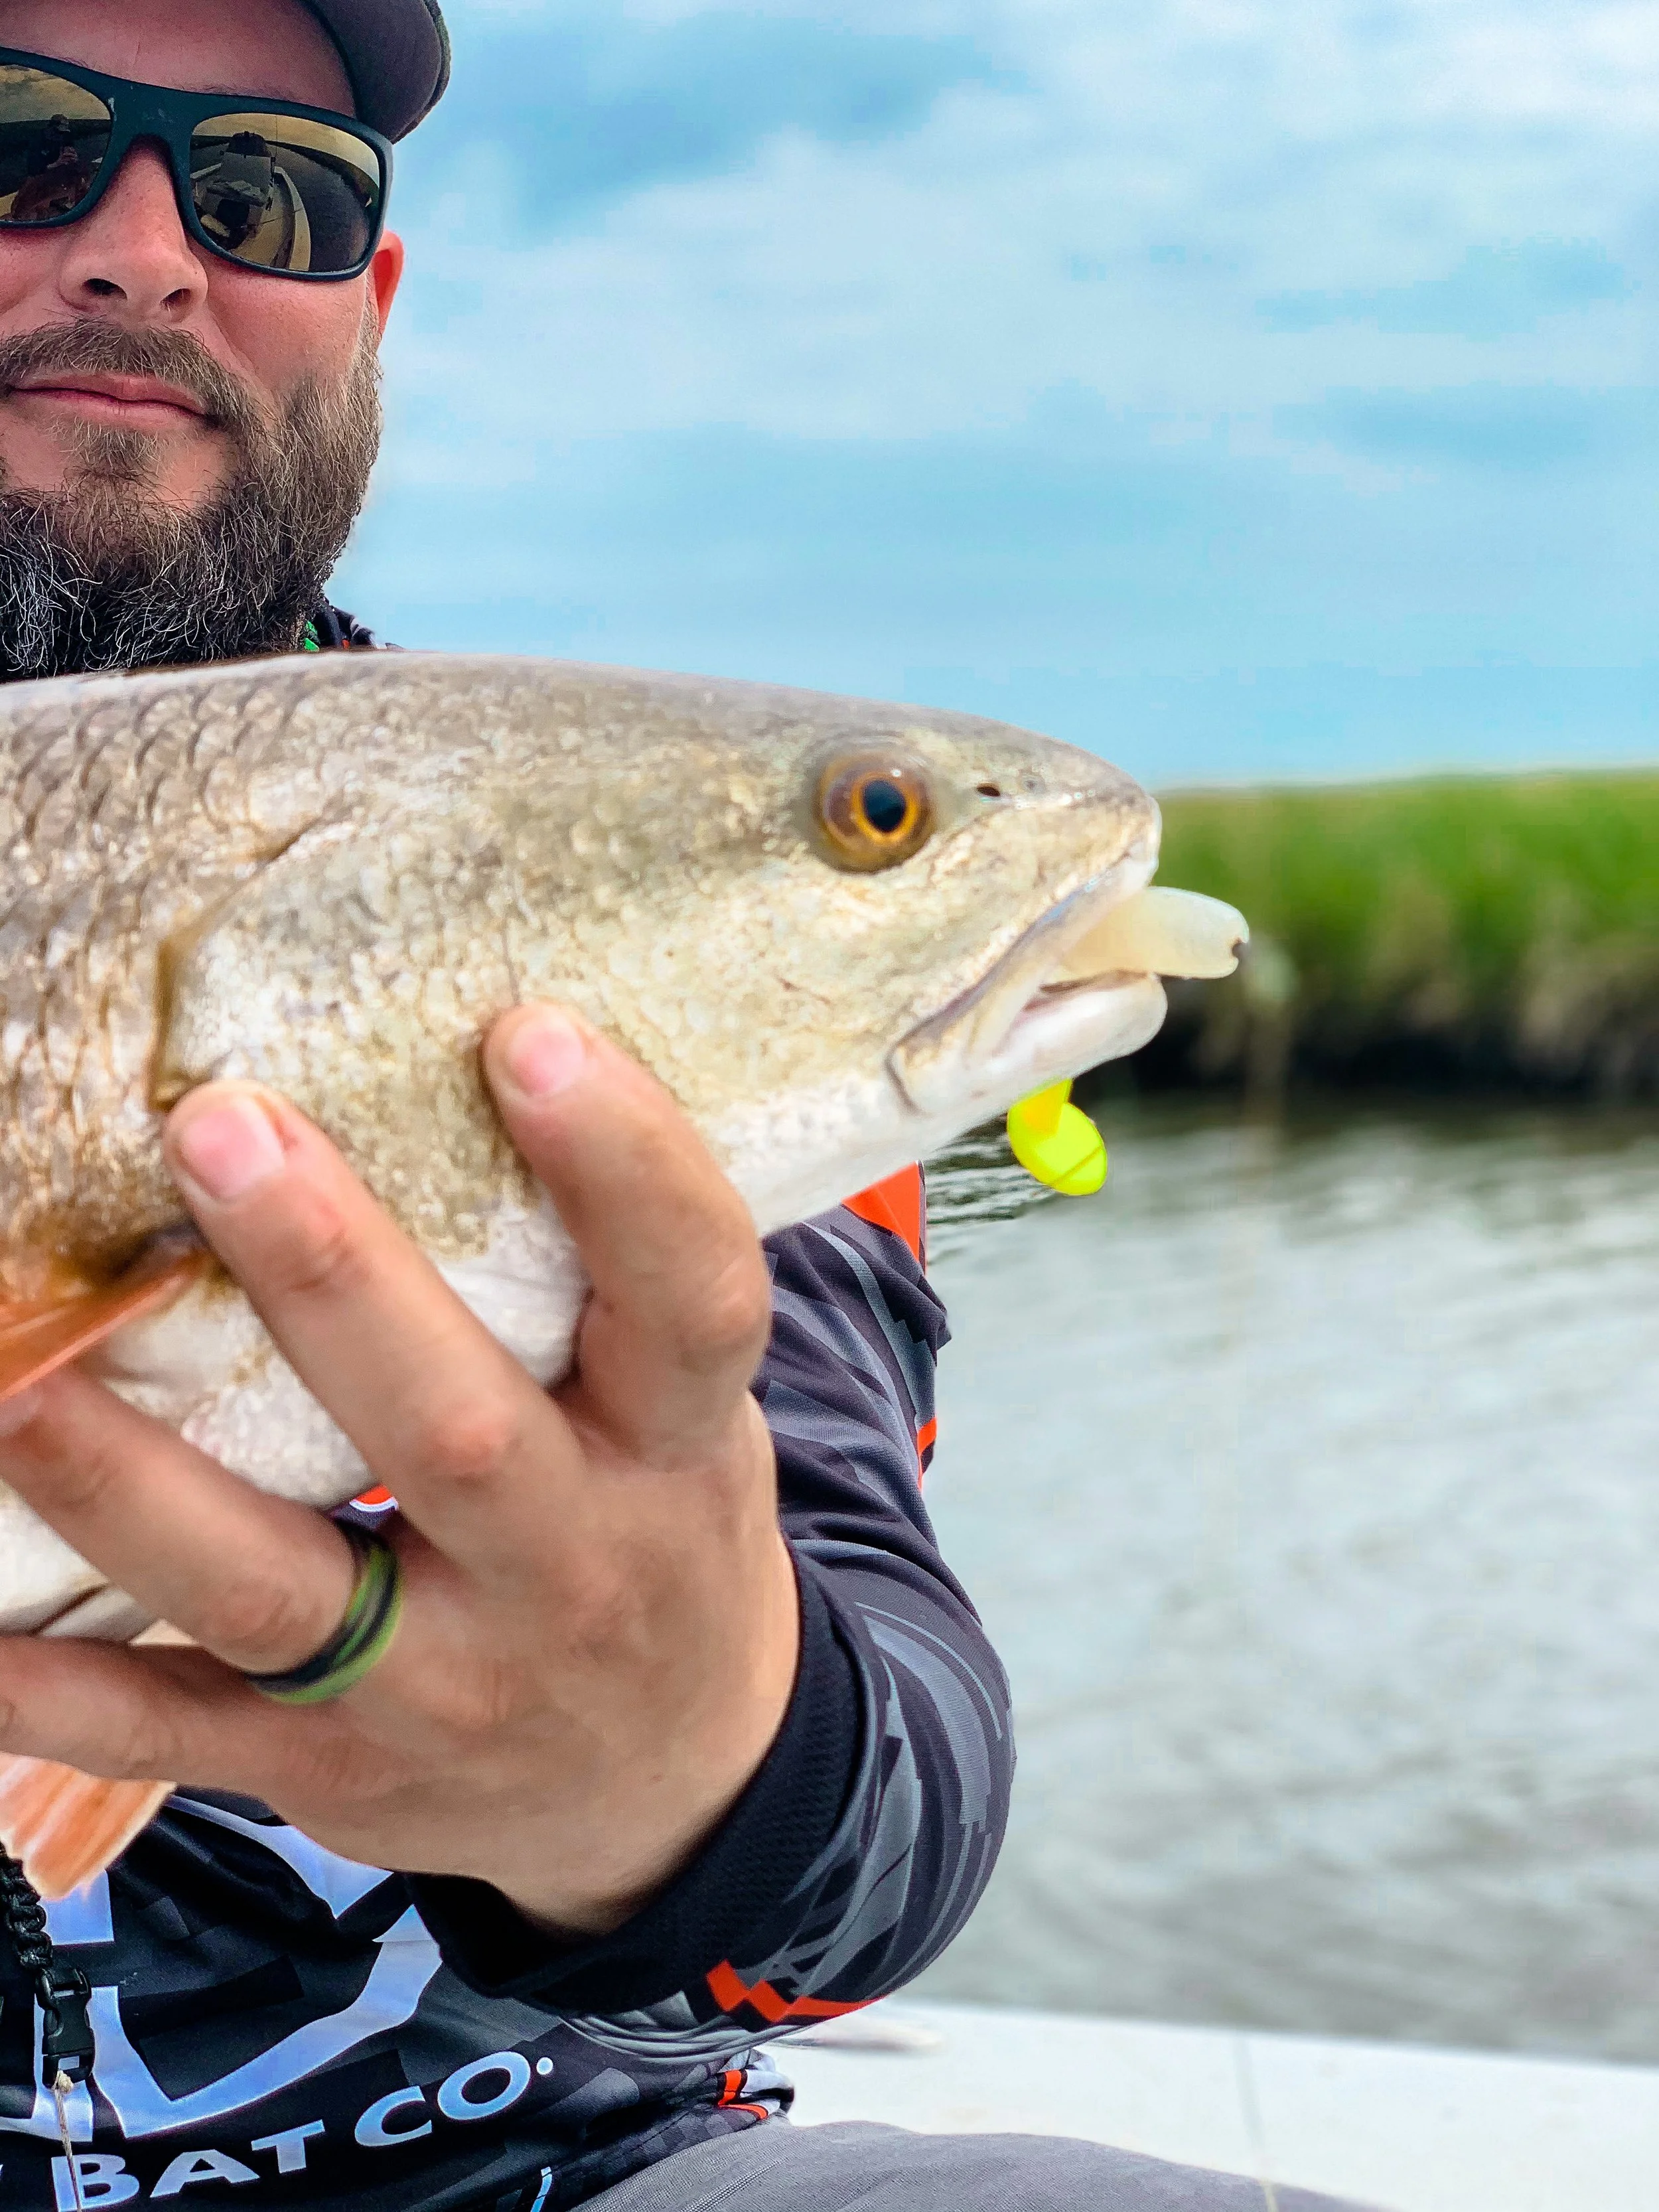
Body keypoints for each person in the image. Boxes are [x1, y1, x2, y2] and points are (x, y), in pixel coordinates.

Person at [0, 3, 1375, 2208]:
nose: (146, 251)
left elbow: (894, 1796)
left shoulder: (712, 1077)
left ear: (365, 305)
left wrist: (686, 1749)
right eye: (19, 146)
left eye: (268, 189)